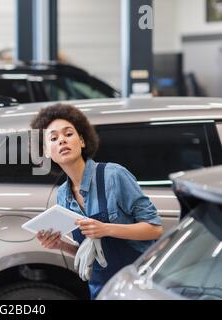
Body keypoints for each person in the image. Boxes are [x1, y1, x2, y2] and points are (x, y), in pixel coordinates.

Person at [30, 103, 163, 299]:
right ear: (47, 152)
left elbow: (154, 229)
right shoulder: (62, 195)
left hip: (138, 284)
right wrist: (60, 245)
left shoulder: (113, 175)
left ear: (82, 141)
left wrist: (107, 229)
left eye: (68, 134)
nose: (62, 141)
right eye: (53, 138)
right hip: (102, 288)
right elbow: (90, 252)